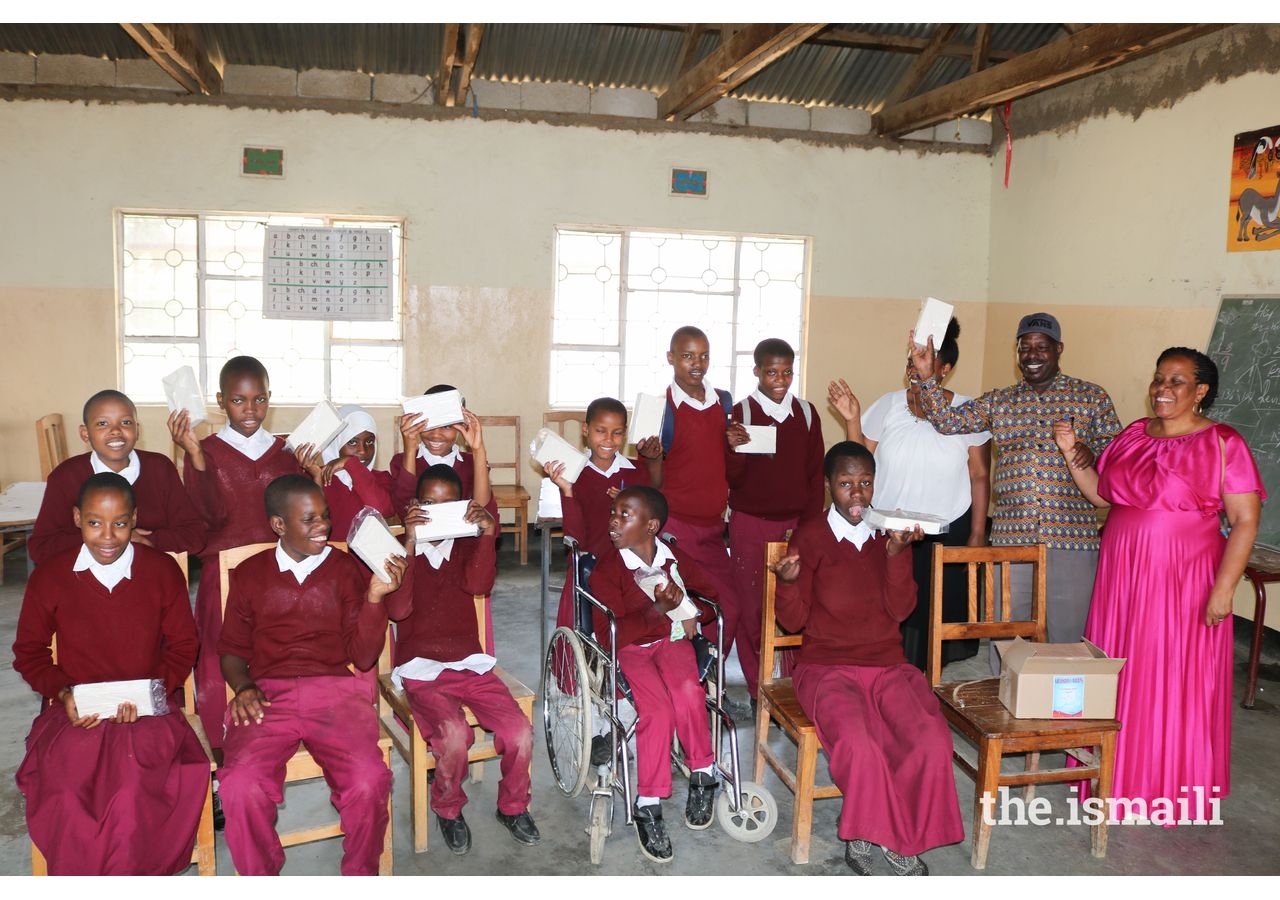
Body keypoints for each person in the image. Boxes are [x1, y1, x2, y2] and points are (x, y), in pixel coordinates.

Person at [1053, 347, 1265, 823]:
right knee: (1117, 671)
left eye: (1176, 381)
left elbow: (1245, 520)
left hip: (1181, 578)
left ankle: (1162, 783)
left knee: (1168, 672)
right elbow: (1101, 495)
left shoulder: (1223, 442)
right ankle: (1107, 772)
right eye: (1158, 379)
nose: (1162, 389)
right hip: (1121, 576)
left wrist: (1224, 588)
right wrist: (1071, 453)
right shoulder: (1132, 435)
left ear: (1200, 392)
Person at [771, 442, 963, 876]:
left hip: (888, 664)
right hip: (826, 667)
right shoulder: (810, 536)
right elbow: (793, 621)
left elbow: (901, 611)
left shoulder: (888, 533)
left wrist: (897, 557)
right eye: (844, 484)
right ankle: (872, 834)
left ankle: (895, 833)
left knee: (928, 737)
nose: (856, 494)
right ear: (827, 487)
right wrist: (788, 583)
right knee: (860, 743)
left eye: (865, 483)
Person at [13, 472, 208, 875]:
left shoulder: (161, 571)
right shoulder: (51, 576)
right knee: (67, 796)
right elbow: (28, 653)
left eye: (119, 523)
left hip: (148, 711)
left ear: (134, 520)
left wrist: (152, 694)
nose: (107, 536)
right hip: (76, 712)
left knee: (132, 796)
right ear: (76, 519)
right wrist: (62, 693)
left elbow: (184, 646)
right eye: (94, 523)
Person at [216, 474, 404, 876]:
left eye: (325, 516)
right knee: (239, 785)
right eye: (308, 519)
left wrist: (374, 598)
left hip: (335, 692)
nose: (322, 526)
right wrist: (244, 686)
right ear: (278, 525)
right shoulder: (249, 574)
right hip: (267, 694)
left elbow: (365, 656)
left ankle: (360, 874)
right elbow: (232, 649)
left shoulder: (344, 570)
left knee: (368, 780)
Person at [909, 312, 1122, 648]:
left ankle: (1063, 702)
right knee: (1006, 636)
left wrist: (1093, 454)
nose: (1032, 355)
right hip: (1012, 538)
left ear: (1059, 349)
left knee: (1070, 637)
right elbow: (947, 422)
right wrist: (925, 377)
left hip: (1072, 539)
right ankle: (1006, 699)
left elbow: (1121, 454)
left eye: (1041, 347)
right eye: (1024, 348)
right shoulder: (1000, 401)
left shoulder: (1091, 398)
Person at [385, 465, 539, 855]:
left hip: (469, 663)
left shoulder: (466, 543)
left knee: (519, 730)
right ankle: (448, 807)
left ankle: (513, 806)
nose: (439, 512)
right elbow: (399, 609)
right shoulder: (401, 548)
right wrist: (410, 543)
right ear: (415, 506)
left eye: (448, 505)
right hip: (421, 669)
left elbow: (478, 585)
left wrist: (486, 534)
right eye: (428, 505)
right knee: (454, 734)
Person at [828, 318, 991, 669]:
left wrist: (978, 534)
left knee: (934, 620)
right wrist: (852, 420)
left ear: (944, 369)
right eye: (909, 361)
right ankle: (888, 684)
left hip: (947, 533)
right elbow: (859, 464)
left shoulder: (967, 410)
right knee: (890, 614)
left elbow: (979, 474)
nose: (912, 368)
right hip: (891, 534)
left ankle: (924, 693)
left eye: (924, 361)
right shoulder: (888, 405)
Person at [168, 356, 300, 750]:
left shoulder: (285, 452)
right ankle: (221, 749)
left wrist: (312, 471)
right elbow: (208, 520)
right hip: (222, 578)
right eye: (239, 400)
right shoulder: (205, 450)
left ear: (269, 399)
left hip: (275, 579)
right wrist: (194, 458)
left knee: (276, 658)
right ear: (221, 400)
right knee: (216, 663)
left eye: (259, 400)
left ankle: (271, 741)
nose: (250, 410)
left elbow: (302, 518)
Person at [589, 486, 719, 863]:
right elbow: (608, 635)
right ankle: (648, 801)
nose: (614, 520)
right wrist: (656, 610)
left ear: (651, 527)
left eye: (624, 515)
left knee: (689, 692)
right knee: (657, 712)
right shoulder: (608, 569)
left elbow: (712, 597)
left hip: (672, 641)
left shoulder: (672, 558)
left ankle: (703, 772)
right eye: (613, 512)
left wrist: (694, 613)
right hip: (631, 649)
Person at [723, 338, 825, 706]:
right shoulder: (742, 413)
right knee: (753, 608)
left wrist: (808, 529)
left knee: (796, 606)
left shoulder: (807, 414)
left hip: (796, 524)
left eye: (786, 372)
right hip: (751, 525)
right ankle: (757, 688)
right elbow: (733, 480)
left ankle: (793, 686)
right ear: (757, 372)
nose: (779, 380)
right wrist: (732, 448)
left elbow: (816, 478)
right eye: (771, 372)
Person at [28, 389, 206, 564]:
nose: (115, 430)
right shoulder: (65, 476)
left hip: (148, 572)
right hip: (86, 580)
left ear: (137, 430)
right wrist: (107, 539)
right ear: (85, 433)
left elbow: (194, 535)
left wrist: (150, 540)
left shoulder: (160, 468)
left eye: (126, 422)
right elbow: (41, 547)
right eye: (102, 424)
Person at [644, 326, 736, 647]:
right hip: (675, 529)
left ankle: (710, 675)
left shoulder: (724, 403)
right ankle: (689, 676)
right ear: (671, 358)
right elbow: (652, 485)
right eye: (687, 356)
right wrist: (651, 458)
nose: (696, 364)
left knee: (729, 605)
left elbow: (727, 462)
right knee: (682, 609)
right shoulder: (659, 409)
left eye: (703, 356)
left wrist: (736, 444)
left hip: (713, 530)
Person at [542, 396, 663, 631]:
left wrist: (630, 506)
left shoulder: (637, 472)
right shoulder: (572, 473)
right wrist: (566, 490)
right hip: (591, 570)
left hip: (630, 573)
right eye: (601, 431)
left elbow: (651, 528)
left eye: (617, 433)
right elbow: (575, 540)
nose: (609, 440)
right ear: (586, 430)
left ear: (625, 434)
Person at [296, 403, 395, 543]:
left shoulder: (381, 479)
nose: (362, 451)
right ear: (335, 442)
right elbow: (312, 521)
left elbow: (381, 510)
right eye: (353, 442)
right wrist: (317, 478)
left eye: (369, 442)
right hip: (329, 560)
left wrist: (350, 464)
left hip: (367, 563)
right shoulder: (314, 477)